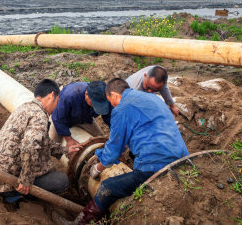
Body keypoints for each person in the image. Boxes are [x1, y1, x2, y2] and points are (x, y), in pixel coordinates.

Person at [53, 78, 189, 224]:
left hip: (155, 166)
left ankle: (77, 223)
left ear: (115, 95)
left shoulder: (121, 108)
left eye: (110, 101)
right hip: (183, 157)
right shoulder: (151, 98)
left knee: (107, 186)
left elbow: (114, 149)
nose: (111, 106)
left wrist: (98, 168)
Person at [0, 79, 82, 208]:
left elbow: (41, 142)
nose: (57, 106)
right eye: (58, 101)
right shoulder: (39, 116)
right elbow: (30, 146)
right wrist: (26, 180)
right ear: (51, 95)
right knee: (62, 181)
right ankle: (16, 194)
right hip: (5, 183)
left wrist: (64, 150)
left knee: (42, 162)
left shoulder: (25, 108)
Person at [50, 81, 112, 148]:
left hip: (84, 118)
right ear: (86, 94)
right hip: (61, 119)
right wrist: (69, 139)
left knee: (101, 139)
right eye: (94, 104)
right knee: (52, 145)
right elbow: (58, 118)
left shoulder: (104, 98)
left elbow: (108, 116)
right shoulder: (69, 96)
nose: (96, 107)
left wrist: (115, 133)